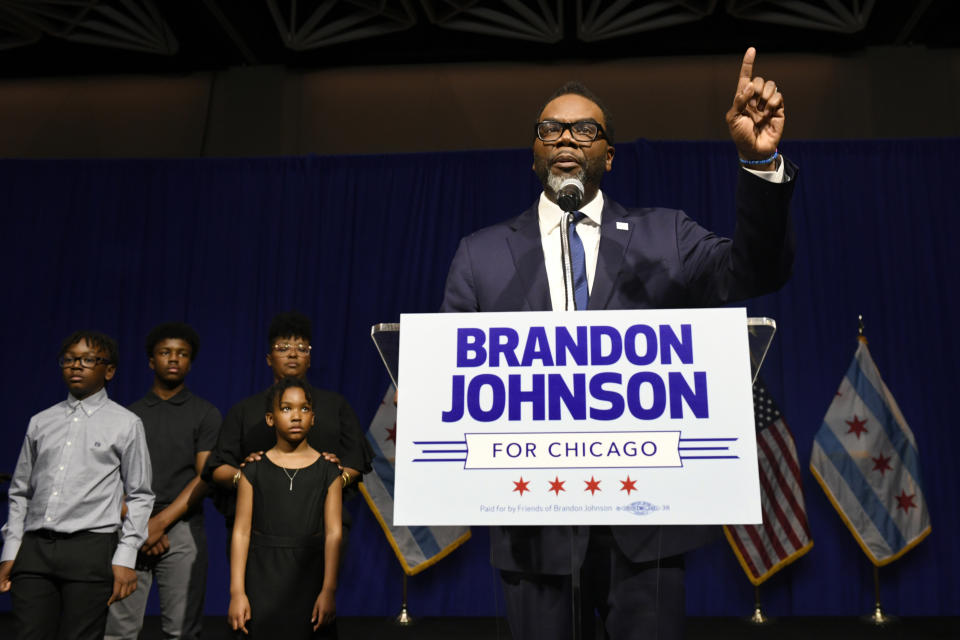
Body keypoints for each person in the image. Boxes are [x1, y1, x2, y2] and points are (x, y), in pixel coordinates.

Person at [440, 48, 796, 640]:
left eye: (585, 130)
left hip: (647, 523)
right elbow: (449, 381)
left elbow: (754, 270)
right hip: (535, 529)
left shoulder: (666, 236)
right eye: (550, 129)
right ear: (534, 155)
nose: (566, 140)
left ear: (609, 154)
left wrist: (758, 164)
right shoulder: (479, 255)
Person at [0, 331, 153, 640]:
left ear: (109, 370)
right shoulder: (41, 421)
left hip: (91, 548)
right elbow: (20, 491)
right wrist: (11, 549)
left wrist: (126, 556)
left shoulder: (126, 423)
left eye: (87, 360)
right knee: (27, 633)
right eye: (69, 360)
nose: (76, 366)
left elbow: (140, 495)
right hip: (36, 548)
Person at [203, 311, 371, 541]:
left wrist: (334, 480)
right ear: (269, 358)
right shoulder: (243, 411)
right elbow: (218, 467)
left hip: (322, 528)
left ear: (309, 359)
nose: (293, 353)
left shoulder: (336, 406)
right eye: (283, 348)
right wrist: (244, 478)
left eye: (302, 348)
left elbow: (356, 461)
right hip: (256, 530)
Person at [104, 323, 222, 640]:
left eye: (182, 354)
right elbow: (111, 480)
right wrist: (142, 524)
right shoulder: (127, 415)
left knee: (182, 631)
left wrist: (159, 523)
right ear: (151, 361)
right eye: (165, 352)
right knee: (119, 630)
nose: (173, 359)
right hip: (130, 524)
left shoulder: (205, 413)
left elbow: (205, 477)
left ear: (190, 362)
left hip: (182, 526)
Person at [228, 377, 342, 638]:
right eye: (287, 408)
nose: (296, 416)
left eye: (304, 408)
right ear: (271, 418)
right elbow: (241, 532)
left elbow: (334, 534)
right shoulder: (253, 470)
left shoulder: (329, 471)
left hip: (309, 576)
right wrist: (237, 592)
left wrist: (328, 590)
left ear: (313, 417)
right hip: (262, 578)